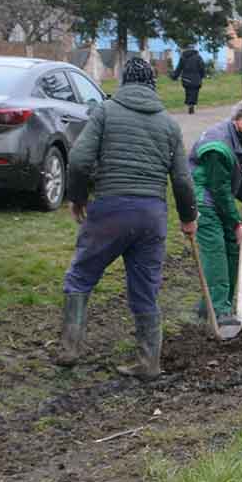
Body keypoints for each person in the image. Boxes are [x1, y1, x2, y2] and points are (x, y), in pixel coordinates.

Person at [57, 57, 197, 379]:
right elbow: (182, 180)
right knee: (145, 290)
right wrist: (188, 218)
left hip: (110, 210)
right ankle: (149, 362)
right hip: (152, 216)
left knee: (81, 276)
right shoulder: (168, 123)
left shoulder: (105, 111)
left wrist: (78, 198)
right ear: (153, 85)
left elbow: (78, 160)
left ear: (122, 81)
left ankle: (69, 349)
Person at [188, 98, 242, 323]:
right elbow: (218, 189)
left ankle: (211, 305)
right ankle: (219, 311)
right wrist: (236, 222)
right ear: (235, 121)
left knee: (233, 247)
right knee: (216, 251)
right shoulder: (217, 146)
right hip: (203, 199)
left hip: (221, 196)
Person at [170, 47, 207, 114]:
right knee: (194, 92)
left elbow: (179, 68)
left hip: (186, 78)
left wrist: (174, 77)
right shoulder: (198, 57)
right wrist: (203, 75)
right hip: (196, 78)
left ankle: (189, 104)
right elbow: (202, 67)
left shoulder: (183, 57)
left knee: (188, 91)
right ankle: (192, 104)